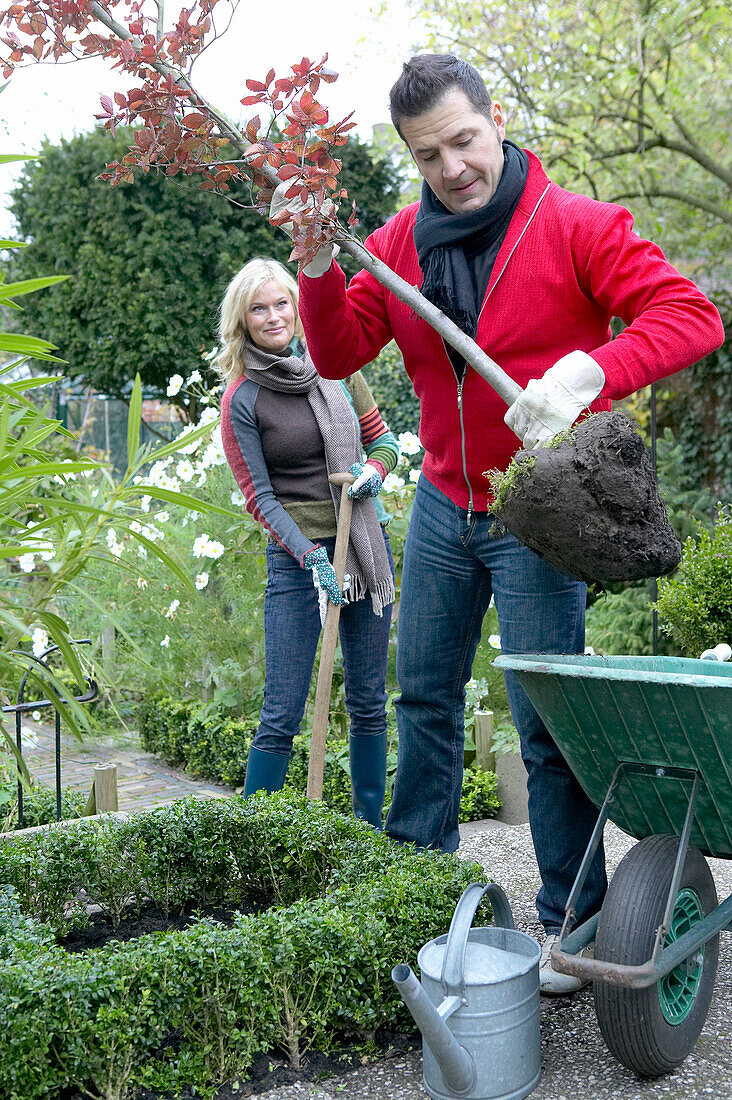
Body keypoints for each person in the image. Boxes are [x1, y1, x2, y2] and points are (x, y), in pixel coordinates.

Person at [281, 54, 725, 993]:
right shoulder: (398, 243)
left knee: (544, 723)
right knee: (424, 703)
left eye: (464, 140)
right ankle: (415, 889)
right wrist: (318, 266)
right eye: (428, 152)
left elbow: (691, 316)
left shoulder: (573, 227)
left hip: (538, 511)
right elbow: (340, 348)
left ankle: (575, 917)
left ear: (495, 118)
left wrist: (587, 373)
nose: (451, 166)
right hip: (445, 502)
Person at [218, 257, 399, 828]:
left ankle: (368, 834)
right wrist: (310, 557)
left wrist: (376, 468)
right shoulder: (243, 400)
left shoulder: (336, 364)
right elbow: (259, 497)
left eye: (282, 304)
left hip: (363, 546)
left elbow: (383, 439)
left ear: (298, 310)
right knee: (283, 708)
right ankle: (254, 840)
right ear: (241, 320)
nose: (273, 316)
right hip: (300, 559)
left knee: (369, 700)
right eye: (259, 308)